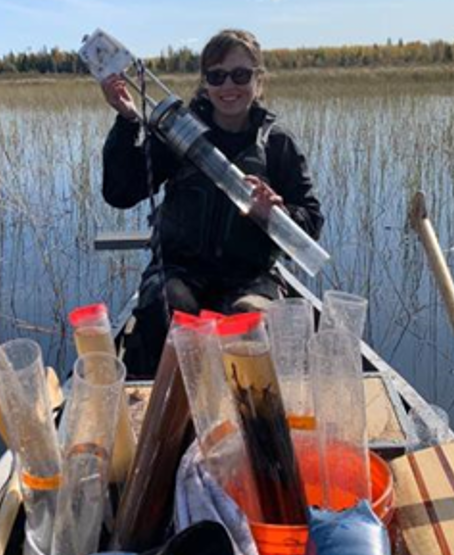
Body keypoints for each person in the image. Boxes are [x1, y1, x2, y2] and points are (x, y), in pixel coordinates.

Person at [100, 29, 323, 376]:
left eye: (240, 74)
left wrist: (278, 213)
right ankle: (168, 409)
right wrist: (127, 121)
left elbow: (310, 225)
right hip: (180, 270)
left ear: (258, 79)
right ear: (205, 83)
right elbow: (121, 193)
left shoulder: (278, 145)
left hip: (250, 277)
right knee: (172, 313)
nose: (228, 86)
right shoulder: (179, 135)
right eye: (216, 76)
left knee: (251, 323)